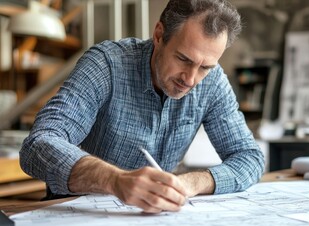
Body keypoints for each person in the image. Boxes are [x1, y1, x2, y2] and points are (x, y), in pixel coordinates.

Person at [20, 0, 264, 213]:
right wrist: (115, 180)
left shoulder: (213, 83)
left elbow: (249, 158)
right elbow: (38, 144)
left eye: (204, 67)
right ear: (159, 35)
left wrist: (190, 183)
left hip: (154, 221)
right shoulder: (107, 65)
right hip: (76, 214)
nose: (190, 79)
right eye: (183, 59)